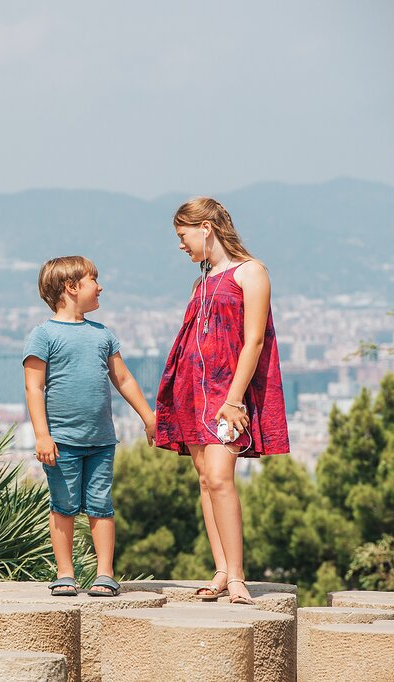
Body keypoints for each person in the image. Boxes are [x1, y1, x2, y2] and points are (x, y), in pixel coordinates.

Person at [154, 197, 290, 604]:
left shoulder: (252, 272)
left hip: (227, 394)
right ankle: (221, 570)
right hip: (191, 391)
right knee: (204, 480)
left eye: (183, 235)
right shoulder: (201, 282)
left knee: (219, 477)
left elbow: (255, 340)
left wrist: (233, 400)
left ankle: (237, 578)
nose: (181, 245)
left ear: (206, 227)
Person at [23, 256, 156, 597]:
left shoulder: (103, 335)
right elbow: (33, 388)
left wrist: (148, 416)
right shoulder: (43, 335)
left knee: (101, 505)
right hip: (62, 441)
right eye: (93, 280)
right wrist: (42, 435)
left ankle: (105, 573)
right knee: (63, 506)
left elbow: (123, 378)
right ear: (71, 288)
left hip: (101, 439)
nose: (100, 286)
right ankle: (65, 573)